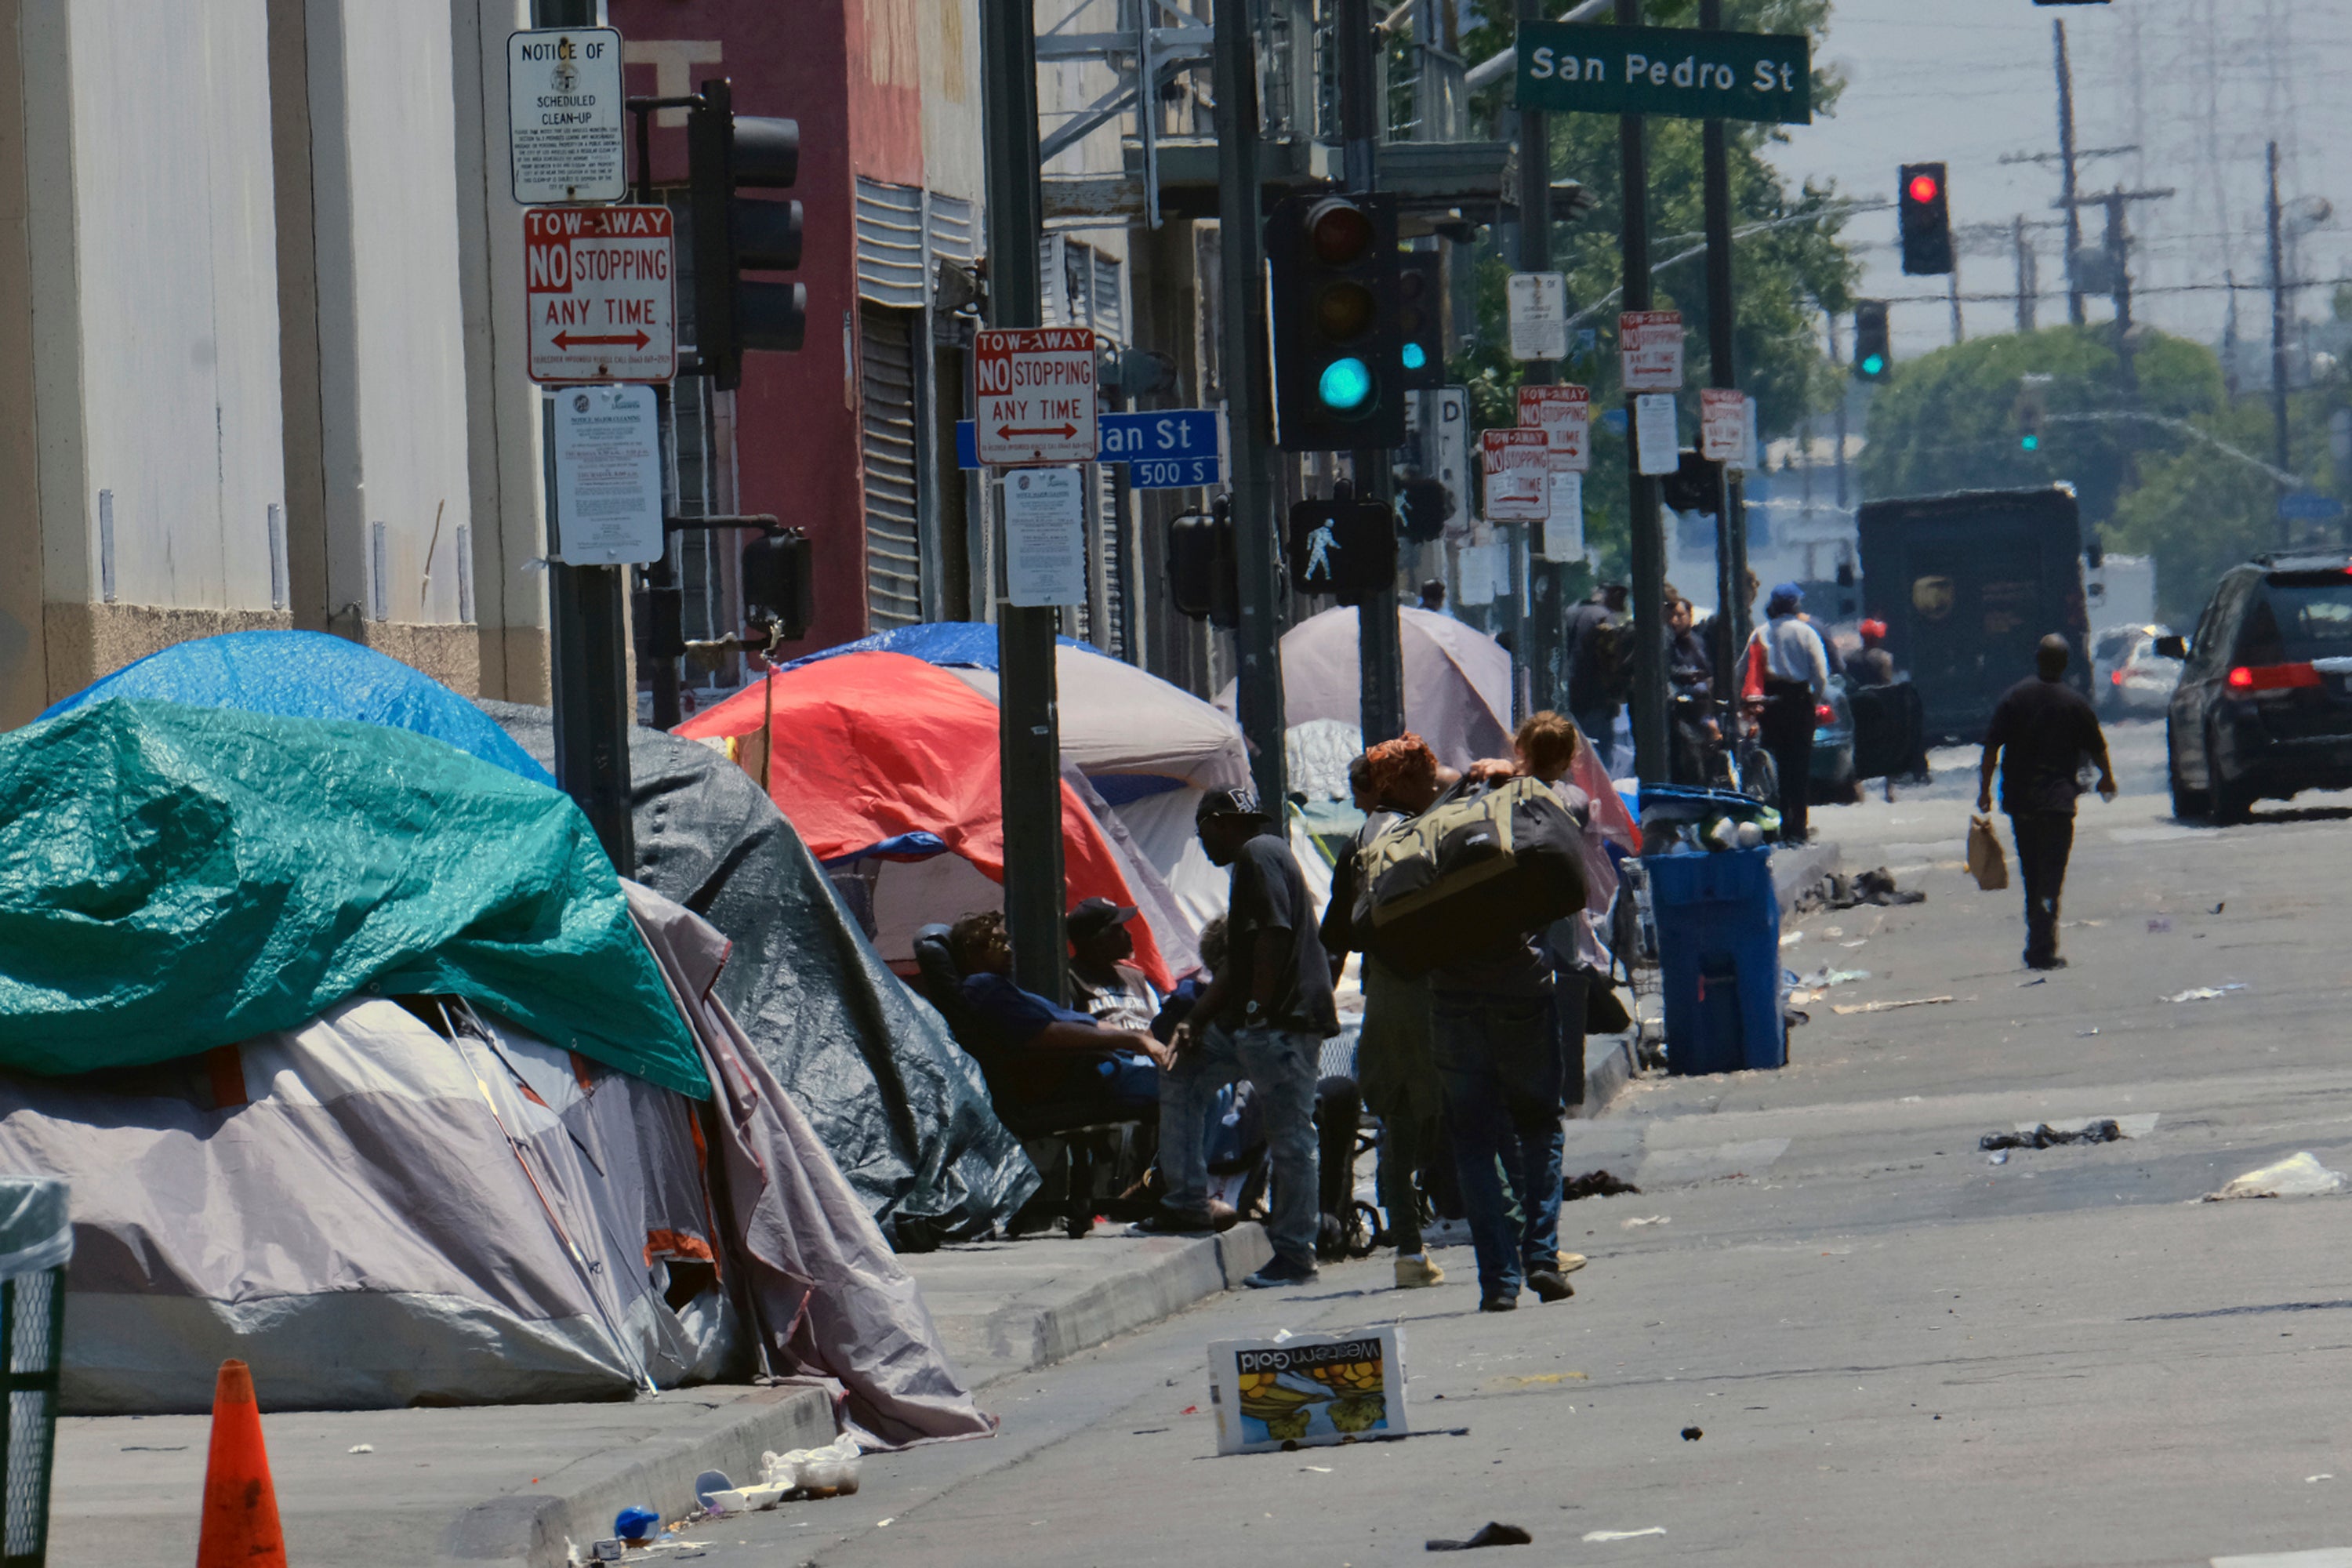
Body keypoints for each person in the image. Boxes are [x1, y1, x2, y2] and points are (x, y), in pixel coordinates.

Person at [1143, 789, 1338, 1288]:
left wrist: (1256, 1007)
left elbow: (1272, 935)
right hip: (1258, 1024)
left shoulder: (1258, 853)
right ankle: (1186, 1202)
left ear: (1219, 822)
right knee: (1183, 1071)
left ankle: (1295, 1254)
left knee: (1292, 1137)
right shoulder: (1258, 858)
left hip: (1281, 1023)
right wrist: (1198, 1019)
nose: (1202, 843)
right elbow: (1238, 957)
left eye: (1201, 830)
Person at [1319, 736, 1452, 1290]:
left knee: (1399, 1120)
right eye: (1425, 779)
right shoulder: (1434, 832)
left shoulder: (1362, 842)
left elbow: (1336, 934)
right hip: (1439, 994)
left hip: (1393, 996)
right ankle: (1521, 1239)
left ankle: (1410, 1250)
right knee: (1460, 1113)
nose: (1434, 787)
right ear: (1399, 784)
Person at [948, 910, 1171, 1122]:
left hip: (1105, 1062)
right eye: (997, 944)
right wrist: (1132, 1040)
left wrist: (1139, 1039)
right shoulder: (983, 987)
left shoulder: (1007, 989)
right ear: (973, 952)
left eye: (1007, 942)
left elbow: (1086, 1023)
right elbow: (1047, 1034)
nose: (1008, 950)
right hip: (1082, 1076)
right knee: (1186, 1091)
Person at [1977, 633, 2116, 971]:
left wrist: (1984, 791)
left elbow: (1992, 748)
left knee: (2032, 874)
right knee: (2051, 878)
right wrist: (2107, 778)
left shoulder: (2014, 698)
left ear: (2037, 658)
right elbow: (2098, 747)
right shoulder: (2074, 703)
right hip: (2057, 805)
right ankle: (2043, 946)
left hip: (2022, 804)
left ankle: (2037, 943)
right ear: (2065, 663)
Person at [1744, 583, 1832, 845]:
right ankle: (1799, 828)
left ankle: (1781, 823)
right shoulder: (1807, 633)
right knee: (1799, 767)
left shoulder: (1760, 633)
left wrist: (1747, 703)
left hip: (1771, 704)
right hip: (1799, 702)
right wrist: (1812, 701)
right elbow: (1821, 675)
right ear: (1794, 605)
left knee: (1778, 765)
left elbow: (1743, 670)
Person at [1067, 897, 1161, 1033]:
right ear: (1097, 940)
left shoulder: (1135, 978)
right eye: (1118, 929)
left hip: (1147, 1053)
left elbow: (1154, 1027)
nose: (1128, 934)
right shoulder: (1071, 979)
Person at [1565, 583, 1631, 768]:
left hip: (1570, 696)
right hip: (1595, 700)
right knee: (1599, 759)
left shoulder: (1571, 613)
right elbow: (1610, 662)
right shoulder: (1604, 618)